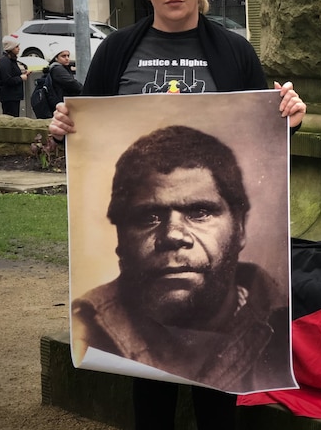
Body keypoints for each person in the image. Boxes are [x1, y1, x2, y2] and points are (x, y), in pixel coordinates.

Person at [49, 0, 306, 430]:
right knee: (149, 391)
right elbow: (87, 138)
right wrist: (63, 130)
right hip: (144, 301)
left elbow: (265, 135)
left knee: (217, 400)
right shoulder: (117, 52)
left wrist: (290, 118)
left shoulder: (233, 51)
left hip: (219, 306)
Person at [71, 126, 291, 392]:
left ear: (240, 228)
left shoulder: (286, 320)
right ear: (120, 237)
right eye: (149, 216)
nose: (173, 235)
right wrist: (67, 133)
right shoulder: (87, 328)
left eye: (199, 212)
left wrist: (290, 121)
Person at [0, 35, 31, 117]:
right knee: (10, 118)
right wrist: (21, 78)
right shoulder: (5, 61)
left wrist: (23, 74)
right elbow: (7, 80)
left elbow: (13, 74)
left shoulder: (12, 60)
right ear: (10, 48)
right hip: (9, 97)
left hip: (14, 96)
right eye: (16, 47)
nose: (19, 48)